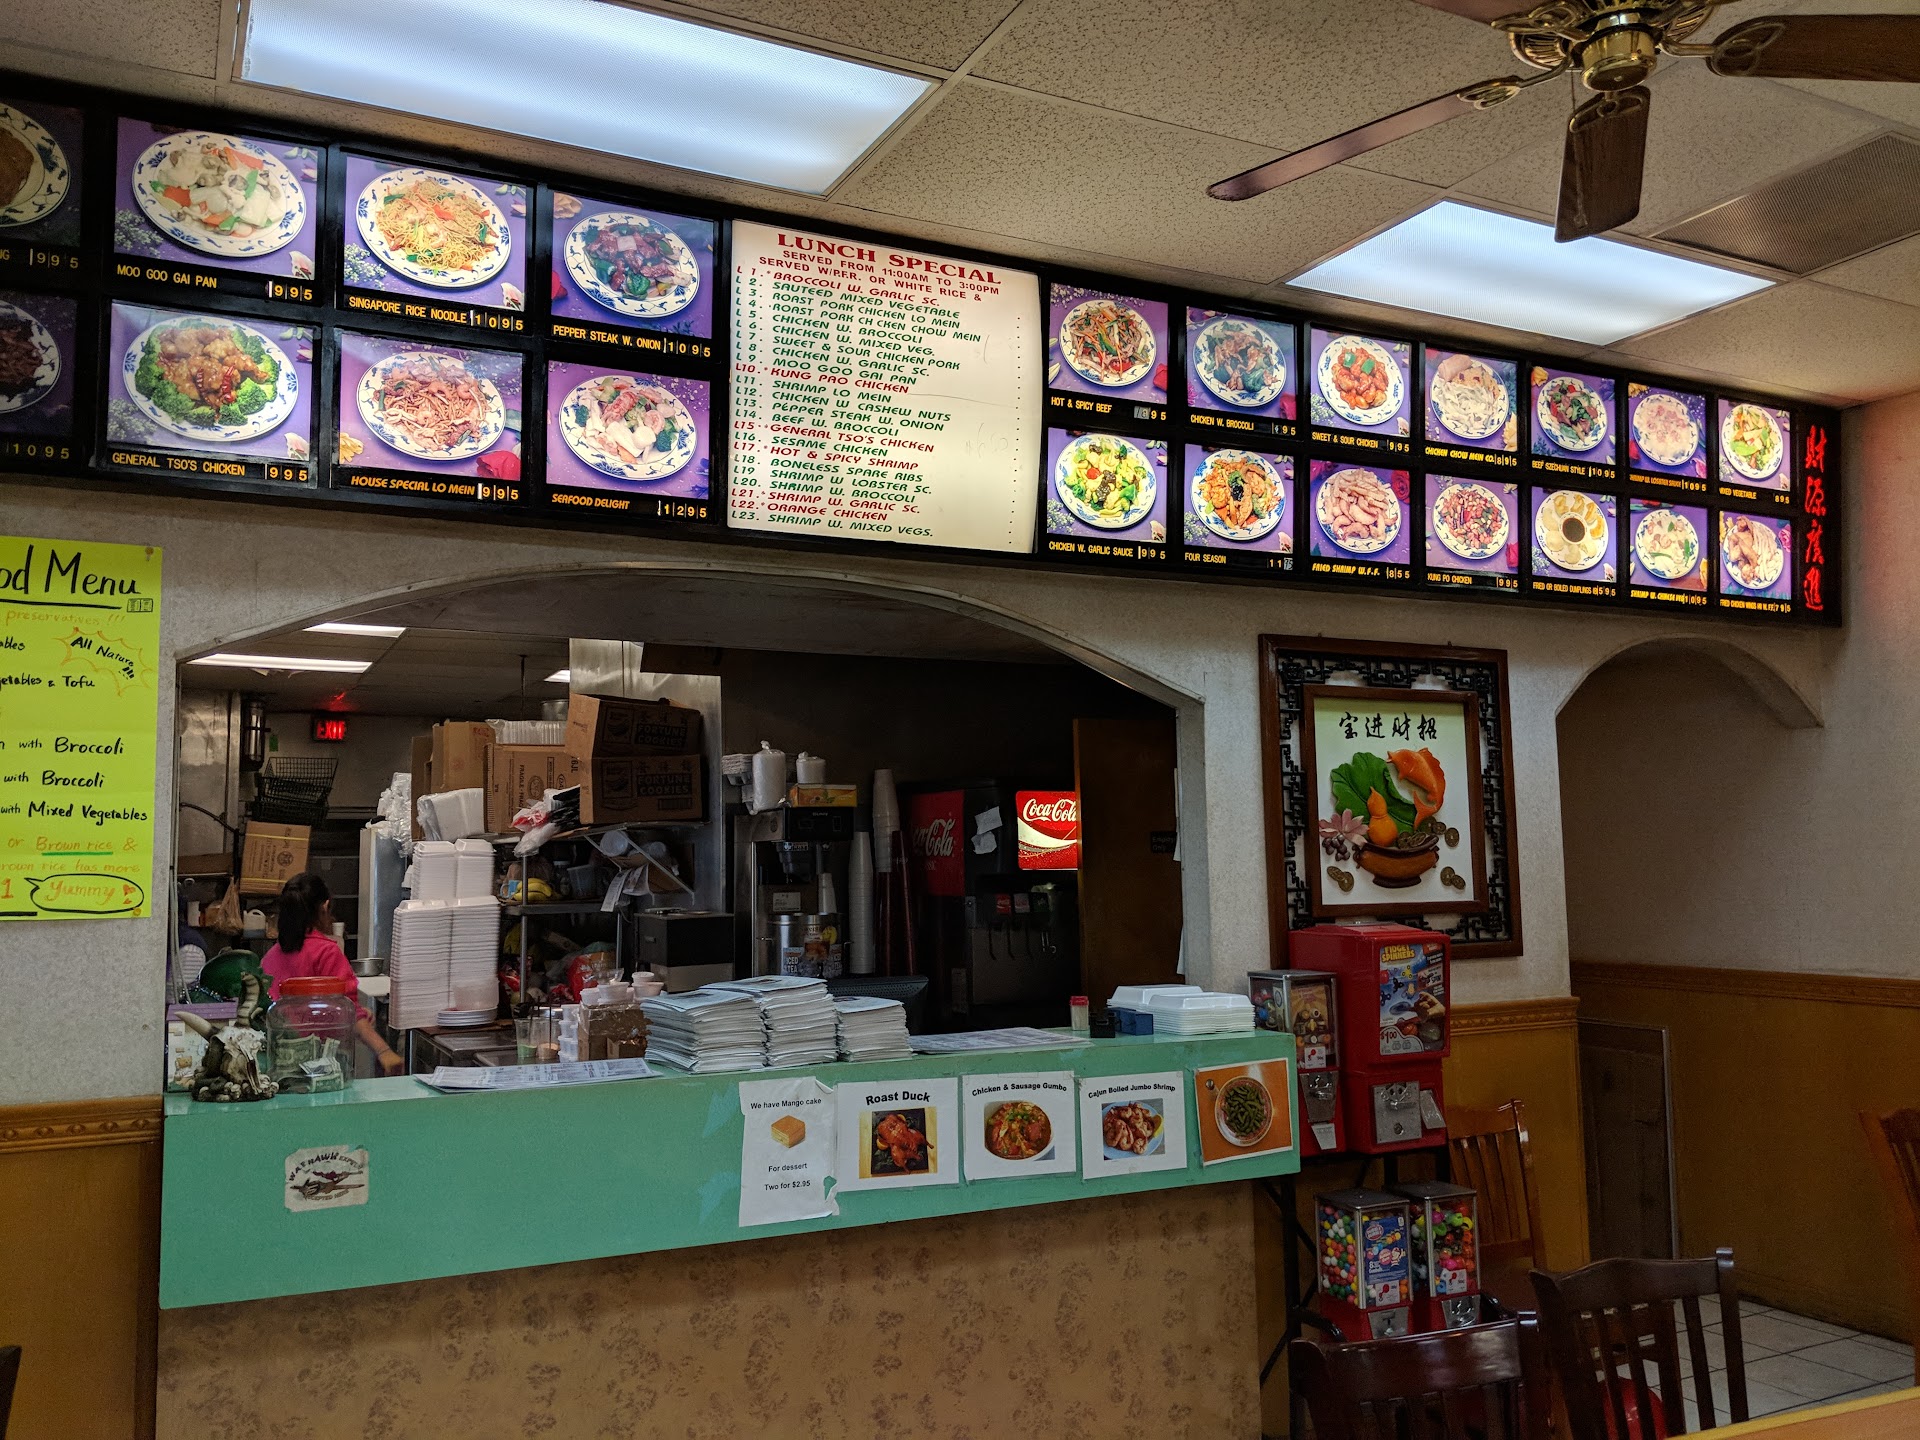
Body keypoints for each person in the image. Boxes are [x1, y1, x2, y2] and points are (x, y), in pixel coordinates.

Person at [260, 873, 404, 1076]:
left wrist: (351, 1011)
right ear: (324, 907)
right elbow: (350, 1012)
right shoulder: (327, 952)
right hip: (318, 1067)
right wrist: (384, 1051)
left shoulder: (271, 956)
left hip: (276, 1065)